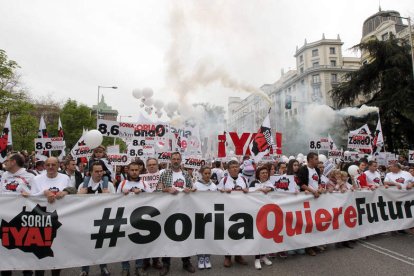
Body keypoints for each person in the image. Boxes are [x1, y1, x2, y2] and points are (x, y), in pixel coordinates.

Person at [31, 157, 76, 276]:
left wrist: (65, 192)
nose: (51, 167)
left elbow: (73, 190)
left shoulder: (65, 178)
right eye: (48, 164)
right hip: (41, 220)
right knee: (39, 250)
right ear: (45, 166)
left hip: (58, 219)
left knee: (57, 250)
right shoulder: (36, 179)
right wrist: (44, 192)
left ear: (58, 166)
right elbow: (31, 197)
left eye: (54, 164)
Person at [157, 152, 196, 275]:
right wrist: (167, 189)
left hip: (184, 210)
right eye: (173, 159)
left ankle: (186, 261)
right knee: (167, 237)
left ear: (181, 160)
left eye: (177, 159)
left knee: (184, 235)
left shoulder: (186, 174)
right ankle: (166, 263)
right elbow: (157, 189)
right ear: (170, 160)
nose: (175, 161)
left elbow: (193, 189)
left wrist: (190, 190)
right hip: (168, 211)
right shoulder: (164, 174)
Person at [0, 153, 34, 276]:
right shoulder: (4, 176)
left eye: (7, 160)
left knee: (25, 250)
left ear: (13, 162)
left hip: (22, 221)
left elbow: (38, 195)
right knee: (5, 251)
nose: (5, 162)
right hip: (5, 220)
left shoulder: (30, 176)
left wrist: (30, 195)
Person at [78, 162, 114, 276]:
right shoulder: (83, 185)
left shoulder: (109, 185)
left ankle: (103, 267)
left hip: (102, 219)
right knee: (85, 245)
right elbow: (76, 204)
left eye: (101, 171)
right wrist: (80, 195)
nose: (99, 173)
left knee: (101, 245)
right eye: (96, 171)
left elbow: (116, 203)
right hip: (86, 220)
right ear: (90, 172)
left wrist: (108, 196)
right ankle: (84, 269)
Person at [118, 162, 149, 276]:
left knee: (139, 244)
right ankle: (125, 267)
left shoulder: (144, 184)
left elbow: (153, 198)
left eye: (136, 170)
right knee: (124, 244)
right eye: (132, 170)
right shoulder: (122, 183)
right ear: (128, 171)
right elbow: (113, 200)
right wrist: (122, 194)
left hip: (140, 219)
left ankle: (139, 267)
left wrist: (142, 192)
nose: (134, 172)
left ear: (139, 171)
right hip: (125, 218)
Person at [217, 160, 249, 267]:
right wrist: (222, 192)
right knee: (228, 234)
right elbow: (216, 194)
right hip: (228, 211)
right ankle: (227, 256)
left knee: (240, 233)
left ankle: (238, 255)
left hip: (241, 210)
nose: (235, 169)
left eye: (236, 167)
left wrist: (247, 191)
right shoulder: (224, 180)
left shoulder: (244, 179)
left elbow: (249, 193)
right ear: (228, 169)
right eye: (232, 167)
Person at [193, 166, 217, 270]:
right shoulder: (196, 185)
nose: (207, 175)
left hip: (210, 214)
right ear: (201, 174)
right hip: (199, 214)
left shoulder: (214, 185)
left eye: (209, 173)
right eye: (205, 173)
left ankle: (207, 257)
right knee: (200, 237)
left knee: (208, 237)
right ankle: (200, 258)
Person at [248, 166, 273, 269]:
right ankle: (257, 258)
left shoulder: (270, 183)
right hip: (256, 213)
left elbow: (275, 190)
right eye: (262, 173)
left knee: (265, 235)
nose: (264, 174)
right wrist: (259, 189)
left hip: (267, 212)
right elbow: (250, 193)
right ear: (258, 174)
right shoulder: (253, 183)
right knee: (258, 236)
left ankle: (264, 256)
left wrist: (270, 189)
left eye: (266, 172)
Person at [297, 152, 321, 256]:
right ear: (310, 159)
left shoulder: (317, 170)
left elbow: (318, 183)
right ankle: (308, 247)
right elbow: (301, 184)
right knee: (308, 224)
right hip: (308, 199)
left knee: (316, 223)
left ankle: (314, 244)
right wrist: (312, 191)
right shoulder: (303, 169)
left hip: (317, 198)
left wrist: (319, 189)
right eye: (316, 159)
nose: (317, 161)